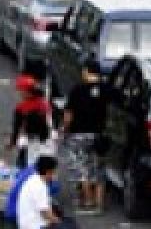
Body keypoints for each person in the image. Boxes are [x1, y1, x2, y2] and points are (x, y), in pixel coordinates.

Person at [62, 60, 109, 214]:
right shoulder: (107, 89)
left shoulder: (77, 90)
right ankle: (99, 205)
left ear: (87, 71)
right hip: (99, 136)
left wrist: (64, 129)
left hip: (79, 135)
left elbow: (69, 114)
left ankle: (87, 202)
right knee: (98, 170)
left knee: (82, 169)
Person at [16, 156, 69, 229]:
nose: (55, 175)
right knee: (68, 225)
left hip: (28, 222)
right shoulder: (39, 186)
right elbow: (45, 213)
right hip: (35, 225)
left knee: (66, 220)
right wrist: (59, 222)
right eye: (54, 171)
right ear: (49, 172)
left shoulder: (34, 179)